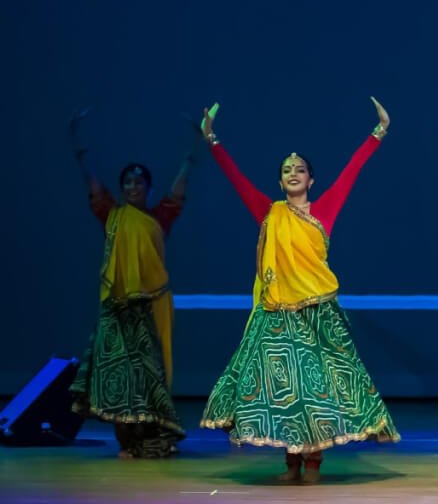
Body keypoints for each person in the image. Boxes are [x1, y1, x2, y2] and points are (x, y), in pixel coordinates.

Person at [198, 99, 399, 483]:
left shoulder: (323, 212)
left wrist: (378, 132)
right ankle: (291, 464)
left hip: (316, 316)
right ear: (279, 182)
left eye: (300, 170)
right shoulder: (270, 212)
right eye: (287, 170)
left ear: (311, 180)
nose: (293, 173)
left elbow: (351, 173)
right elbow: (237, 180)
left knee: (316, 391)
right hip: (275, 314)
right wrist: (213, 141)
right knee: (281, 393)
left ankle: (314, 462)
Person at [67, 108, 197, 458]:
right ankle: (128, 441)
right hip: (118, 309)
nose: (132, 187)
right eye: (127, 183)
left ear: (148, 188)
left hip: (152, 305)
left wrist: (191, 155)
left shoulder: (158, 217)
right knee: (120, 375)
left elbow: (178, 194)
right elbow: (93, 188)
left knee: (150, 374)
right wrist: (80, 152)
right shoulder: (113, 215)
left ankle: (156, 438)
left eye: (139, 183)